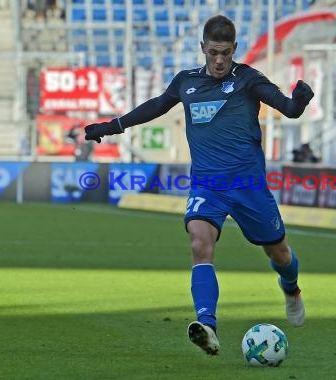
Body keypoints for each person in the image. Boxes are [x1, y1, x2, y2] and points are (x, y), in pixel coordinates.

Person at [84, 15, 314, 355]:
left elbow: (289, 109)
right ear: (203, 49)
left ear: (234, 49)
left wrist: (301, 100)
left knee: (278, 252)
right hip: (208, 185)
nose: (219, 60)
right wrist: (112, 126)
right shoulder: (186, 82)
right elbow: (155, 106)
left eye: (225, 53)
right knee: (198, 244)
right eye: (213, 53)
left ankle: (291, 289)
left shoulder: (248, 79)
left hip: (248, 185)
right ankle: (207, 324)